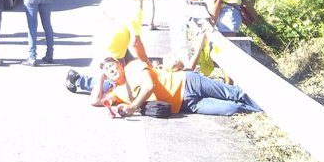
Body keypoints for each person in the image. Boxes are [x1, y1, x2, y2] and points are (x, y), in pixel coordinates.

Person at [92, 55, 261, 117]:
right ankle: (261, 109)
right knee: (232, 108)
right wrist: (100, 79)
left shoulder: (133, 66)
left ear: (119, 64)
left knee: (232, 93)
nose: (110, 69)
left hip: (188, 82)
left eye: (112, 65)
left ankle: (268, 102)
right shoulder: (117, 92)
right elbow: (95, 101)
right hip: (186, 105)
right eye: (106, 70)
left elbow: (149, 85)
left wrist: (133, 106)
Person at [65, 0, 152, 94]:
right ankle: (78, 79)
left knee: (132, 70)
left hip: (104, 40)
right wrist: (147, 62)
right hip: (113, 50)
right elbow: (136, 43)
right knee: (115, 85)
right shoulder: (135, 9)